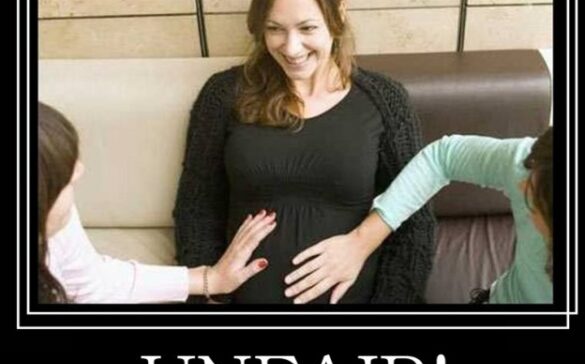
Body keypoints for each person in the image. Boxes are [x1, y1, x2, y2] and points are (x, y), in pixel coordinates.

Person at [174, 0, 435, 304]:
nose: (291, 48)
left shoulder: (385, 101)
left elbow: (415, 219)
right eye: (275, 29)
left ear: (339, 14)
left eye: (307, 28)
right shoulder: (222, 95)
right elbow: (197, 210)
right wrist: (210, 300)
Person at [38, 102, 277, 304]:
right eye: (63, 179)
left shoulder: (58, 224)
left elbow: (93, 284)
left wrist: (210, 279)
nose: (79, 170)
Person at [285, 128, 553, 304]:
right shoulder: (532, 166)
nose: (521, 187)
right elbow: (442, 158)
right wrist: (361, 241)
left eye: (534, 197)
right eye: (529, 175)